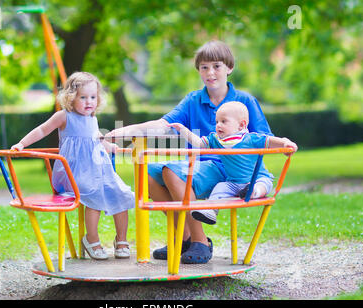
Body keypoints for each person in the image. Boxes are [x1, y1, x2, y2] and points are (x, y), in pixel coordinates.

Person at [106, 40, 273, 264]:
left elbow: (263, 139)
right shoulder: (194, 100)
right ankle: (184, 237)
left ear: (229, 68)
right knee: (145, 173)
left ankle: (200, 241)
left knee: (171, 171)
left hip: (234, 170)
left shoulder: (244, 101)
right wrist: (120, 132)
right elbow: (163, 124)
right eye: (204, 67)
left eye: (216, 66)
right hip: (202, 165)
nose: (210, 72)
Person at [11, 72, 135, 260]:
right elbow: (42, 129)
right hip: (74, 173)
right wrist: (22, 144)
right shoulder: (64, 116)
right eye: (83, 97)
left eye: (93, 97)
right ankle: (91, 239)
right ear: (70, 97)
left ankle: (121, 240)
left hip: (98, 170)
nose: (89, 102)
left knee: (120, 192)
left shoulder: (92, 118)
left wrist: (109, 146)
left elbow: (95, 140)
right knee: (94, 194)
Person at [168, 101, 298, 225]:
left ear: (241, 125)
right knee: (220, 187)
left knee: (263, 184)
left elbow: (269, 141)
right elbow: (199, 143)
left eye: (224, 121)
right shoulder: (217, 140)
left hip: (256, 179)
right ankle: (211, 211)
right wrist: (183, 130)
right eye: (217, 121)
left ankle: (253, 193)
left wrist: (285, 142)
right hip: (233, 182)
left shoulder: (250, 139)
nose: (218, 125)